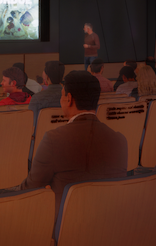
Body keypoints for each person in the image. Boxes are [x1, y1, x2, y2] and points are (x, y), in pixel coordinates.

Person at [21, 70, 127, 213]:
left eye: (62, 95)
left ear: (69, 98)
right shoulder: (120, 140)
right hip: (107, 221)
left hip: (65, 224)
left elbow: (31, 189)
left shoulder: (54, 139)